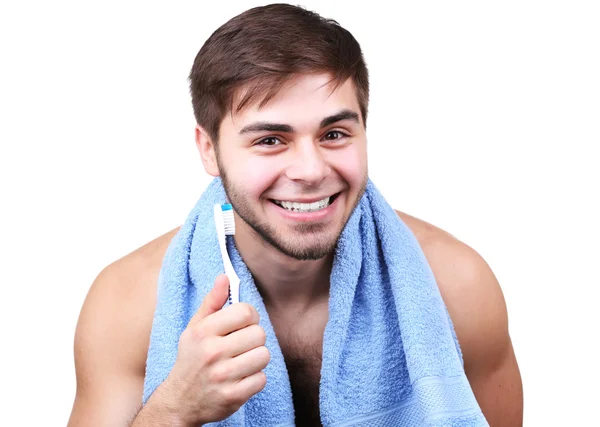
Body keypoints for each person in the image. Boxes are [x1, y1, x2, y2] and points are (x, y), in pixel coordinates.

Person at [68, 4, 523, 426]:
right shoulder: (128, 304)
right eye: (270, 140)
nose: (311, 171)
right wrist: (174, 408)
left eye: (335, 133)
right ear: (209, 149)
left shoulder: (457, 286)